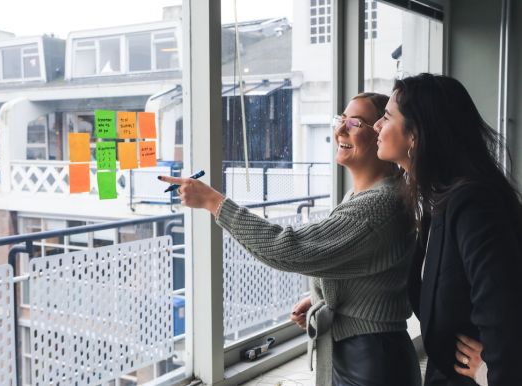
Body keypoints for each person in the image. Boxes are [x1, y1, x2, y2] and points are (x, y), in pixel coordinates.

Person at [159, 93, 422, 386]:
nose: (340, 130)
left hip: (373, 363)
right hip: (366, 352)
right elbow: (371, 271)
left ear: (379, 133)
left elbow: (290, 247)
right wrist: (321, 298)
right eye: (340, 120)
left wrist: (214, 202)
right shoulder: (376, 194)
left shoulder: (378, 205)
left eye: (354, 123)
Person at [373, 73, 522, 386]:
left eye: (386, 117)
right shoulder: (438, 200)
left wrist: (492, 372)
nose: (376, 125)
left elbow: (503, 309)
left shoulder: (473, 203)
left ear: (415, 135)